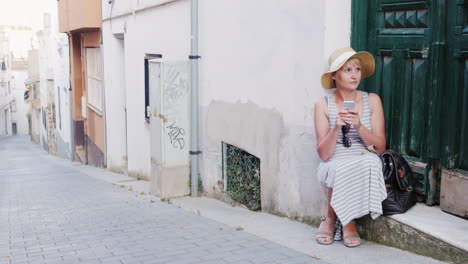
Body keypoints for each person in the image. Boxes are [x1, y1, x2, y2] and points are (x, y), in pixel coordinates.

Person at [314, 47, 387, 247]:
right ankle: (345, 221)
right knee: (338, 168)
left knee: (372, 161)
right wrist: (336, 128)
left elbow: (379, 148)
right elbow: (324, 154)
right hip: (335, 158)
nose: (354, 75)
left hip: (364, 155)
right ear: (335, 76)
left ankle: (335, 219)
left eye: (357, 69)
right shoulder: (323, 104)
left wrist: (359, 126)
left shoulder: (372, 100)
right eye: (347, 70)